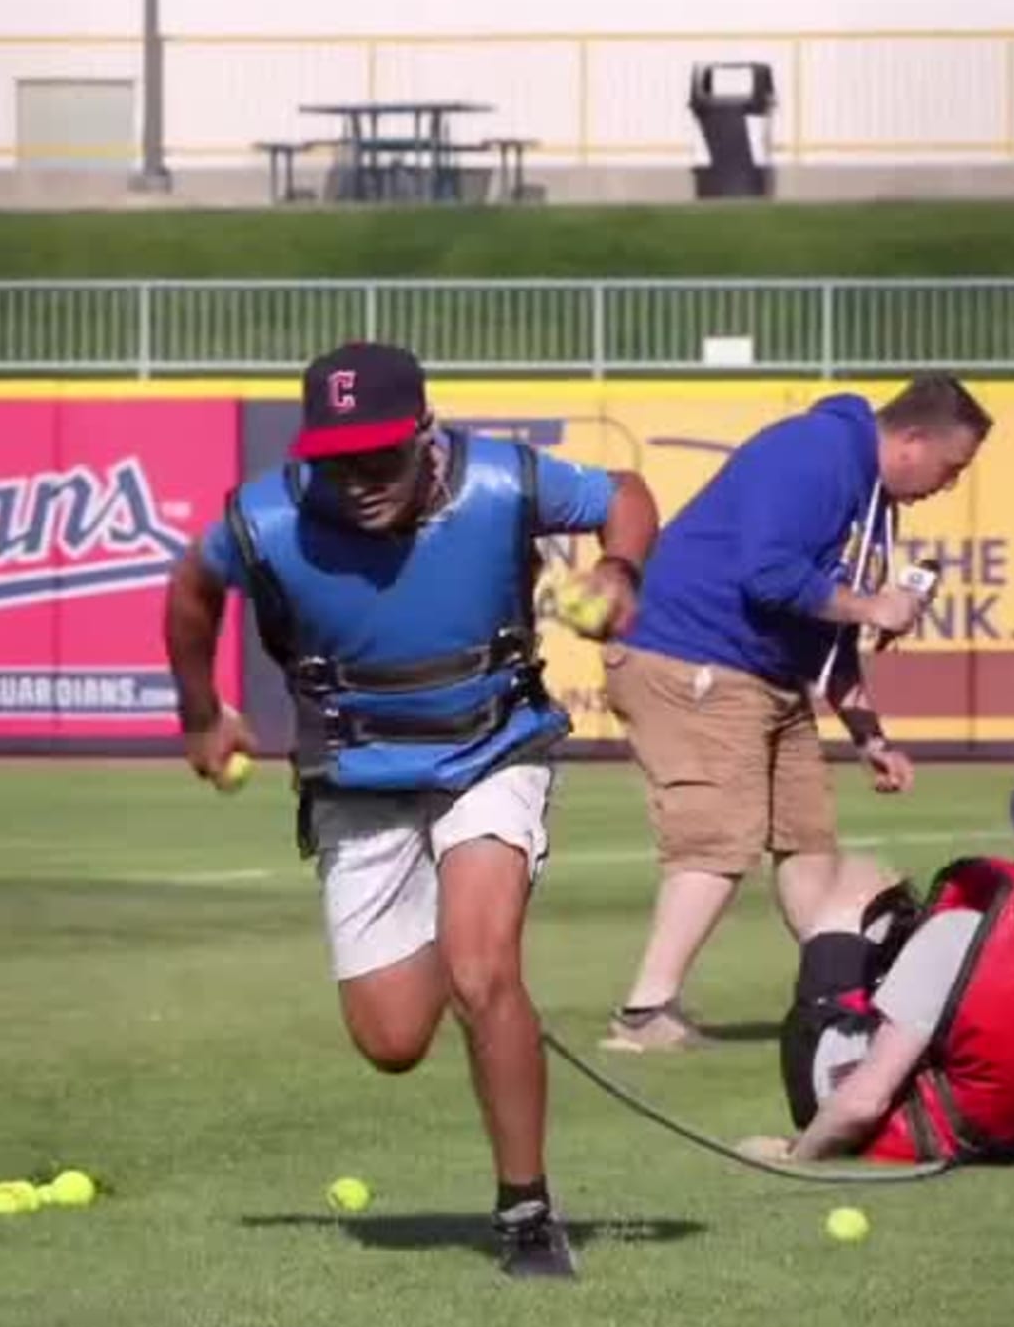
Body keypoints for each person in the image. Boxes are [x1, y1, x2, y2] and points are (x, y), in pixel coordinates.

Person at [160, 341, 661, 1279]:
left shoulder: (505, 481)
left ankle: (526, 1214)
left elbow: (624, 493)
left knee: (482, 972)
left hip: (491, 747)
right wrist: (199, 710)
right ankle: (471, 944)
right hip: (358, 774)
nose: (358, 480)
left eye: (380, 456)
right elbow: (193, 589)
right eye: (337, 459)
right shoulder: (267, 518)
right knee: (390, 1041)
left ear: (426, 437)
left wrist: (620, 571)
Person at [598, 374, 992, 1054]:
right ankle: (644, 1013)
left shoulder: (874, 504)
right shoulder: (817, 452)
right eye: (950, 467)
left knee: (807, 837)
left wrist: (870, 735)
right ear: (913, 440)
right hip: (694, 657)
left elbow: (826, 637)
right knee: (719, 838)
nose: (948, 483)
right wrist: (872, 606)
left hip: (763, 676)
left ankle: (837, 998)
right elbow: (769, 574)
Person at [739, 775, 1014, 1170]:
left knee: (859, 888)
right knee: (904, 935)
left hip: (841, 1082)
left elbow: (863, 1103)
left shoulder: (959, 934)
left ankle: (863, 961)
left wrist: (797, 1153)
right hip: (1007, 1133)